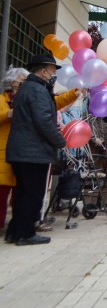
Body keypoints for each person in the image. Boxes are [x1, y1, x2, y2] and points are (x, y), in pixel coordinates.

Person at [5, 54, 65, 245]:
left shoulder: (26, 89)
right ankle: (25, 233)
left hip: (22, 150)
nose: (54, 74)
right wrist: (60, 141)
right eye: (53, 69)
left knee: (23, 193)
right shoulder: (37, 90)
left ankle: (15, 231)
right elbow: (44, 121)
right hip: (32, 152)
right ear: (43, 70)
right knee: (32, 194)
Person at [0, 68, 28, 231]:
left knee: (19, 195)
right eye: (21, 81)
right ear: (12, 83)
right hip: (3, 153)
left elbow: (55, 104)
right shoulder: (2, 100)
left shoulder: (26, 100)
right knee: (2, 193)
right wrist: (10, 113)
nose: (24, 83)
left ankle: (15, 226)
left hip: (20, 153)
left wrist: (74, 93)